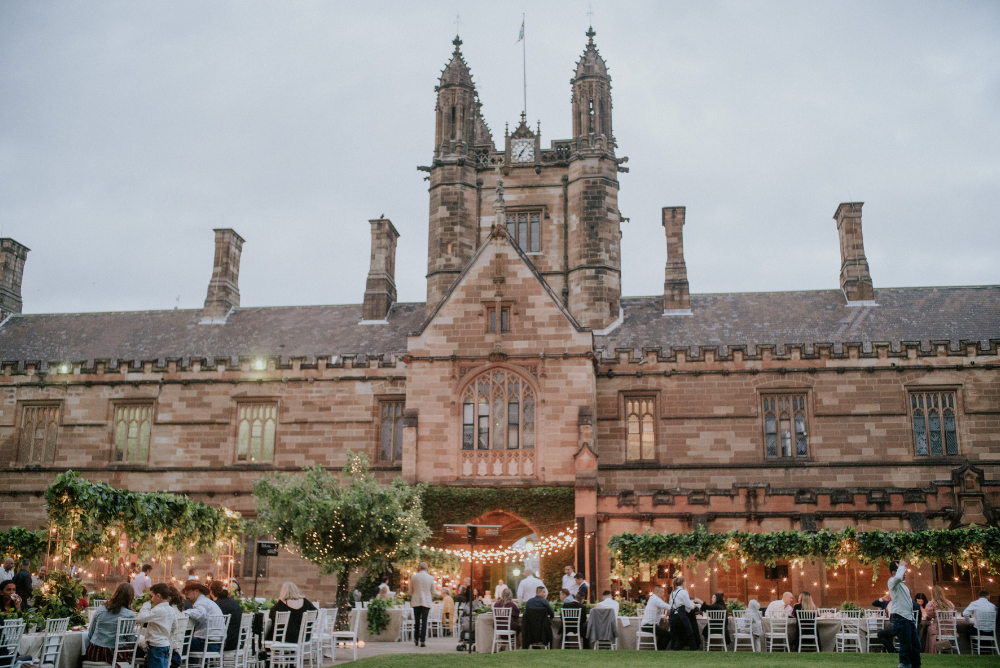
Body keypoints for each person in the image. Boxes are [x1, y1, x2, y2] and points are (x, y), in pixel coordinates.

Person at [86, 583, 136, 664]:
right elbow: (130, 640)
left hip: (94, 651)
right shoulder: (129, 614)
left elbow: (90, 633)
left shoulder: (101, 608)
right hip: (114, 654)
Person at [883, 560, 920, 668]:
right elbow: (898, 577)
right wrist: (902, 566)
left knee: (916, 647)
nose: (905, 573)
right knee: (906, 647)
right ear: (894, 572)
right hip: (900, 619)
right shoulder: (892, 582)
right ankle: (904, 666)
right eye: (901, 571)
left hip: (909, 619)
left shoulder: (903, 586)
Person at [136, 583, 176, 668]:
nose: (151, 599)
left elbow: (140, 618)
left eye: (152, 596)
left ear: (158, 596)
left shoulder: (158, 610)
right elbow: (174, 626)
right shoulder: (171, 610)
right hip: (165, 644)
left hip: (156, 646)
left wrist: (146, 605)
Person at [183, 581, 223, 653]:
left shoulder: (200, 602)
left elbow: (200, 613)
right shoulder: (208, 601)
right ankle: (192, 664)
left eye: (187, 593)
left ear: (196, 591)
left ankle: (186, 664)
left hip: (206, 644)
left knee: (180, 643)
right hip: (216, 643)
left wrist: (183, 613)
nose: (186, 597)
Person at [209, 580, 242, 652]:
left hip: (225, 642)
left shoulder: (216, 605)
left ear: (211, 592)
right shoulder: (234, 602)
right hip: (237, 641)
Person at [667, 577, 700, 650]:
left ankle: (674, 649)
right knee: (690, 631)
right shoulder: (683, 592)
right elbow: (688, 605)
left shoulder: (672, 593)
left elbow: (670, 604)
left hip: (673, 615)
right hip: (681, 616)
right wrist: (694, 606)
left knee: (677, 635)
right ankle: (694, 648)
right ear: (683, 583)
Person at [409, 562, 435, 648]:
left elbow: (410, 591)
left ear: (419, 568)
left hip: (416, 601)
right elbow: (433, 591)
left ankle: (416, 639)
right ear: (427, 568)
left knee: (416, 621)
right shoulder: (430, 578)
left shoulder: (414, 577)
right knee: (424, 621)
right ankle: (422, 640)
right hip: (426, 602)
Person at [639, 584, 671, 650]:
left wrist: (662, 616)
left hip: (646, 625)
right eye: (662, 592)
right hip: (649, 626)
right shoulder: (656, 599)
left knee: (663, 634)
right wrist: (678, 607)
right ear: (657, 592)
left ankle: (659, 649)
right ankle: (660, 650)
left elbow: (654, 612)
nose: (663, 593)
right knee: (667, 634)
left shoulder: (652, 598)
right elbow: (667, 606)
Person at [924, 585, 954, 653]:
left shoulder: (932, 604)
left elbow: (929, 616)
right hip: (950, 630)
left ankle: (932, 650)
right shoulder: (949, 603)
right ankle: (944, 648)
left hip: (939, 629)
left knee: (930, 629)